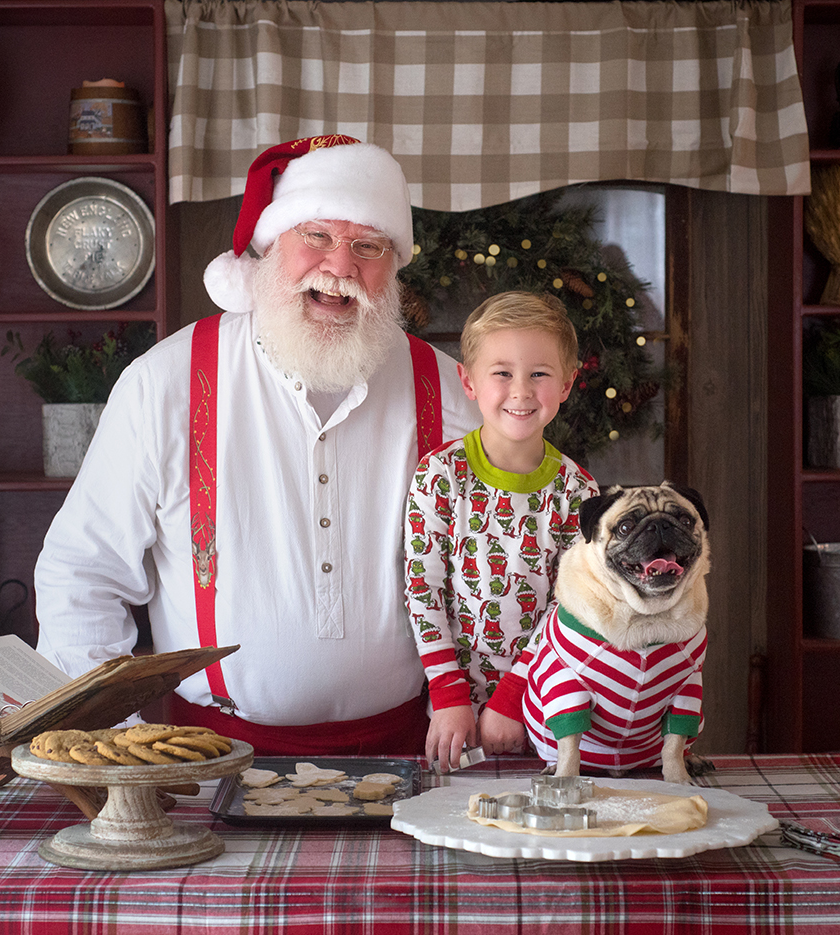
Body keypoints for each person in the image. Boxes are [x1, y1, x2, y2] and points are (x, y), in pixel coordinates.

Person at [34, 136, 479, 755]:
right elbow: (81, 574)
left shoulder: (451, 393)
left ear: (394, 268)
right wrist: (121, 749)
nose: (340, 267)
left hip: (414, 755)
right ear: (270, 246)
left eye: (367, 246)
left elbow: (506, 572)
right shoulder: (167, 384)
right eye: (316, 236)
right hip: (205, 760)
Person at [405, 291, 597, 772]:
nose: (521, 391)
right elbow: (421, 588)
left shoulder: (577, 491)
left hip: (545, 704)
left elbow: (571, 605)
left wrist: (514, 696)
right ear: (468, 382)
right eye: (502, 372)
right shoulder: (440, 475)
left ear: (568, 383)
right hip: (449, 712)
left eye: (539, 373)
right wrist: (448, 695)